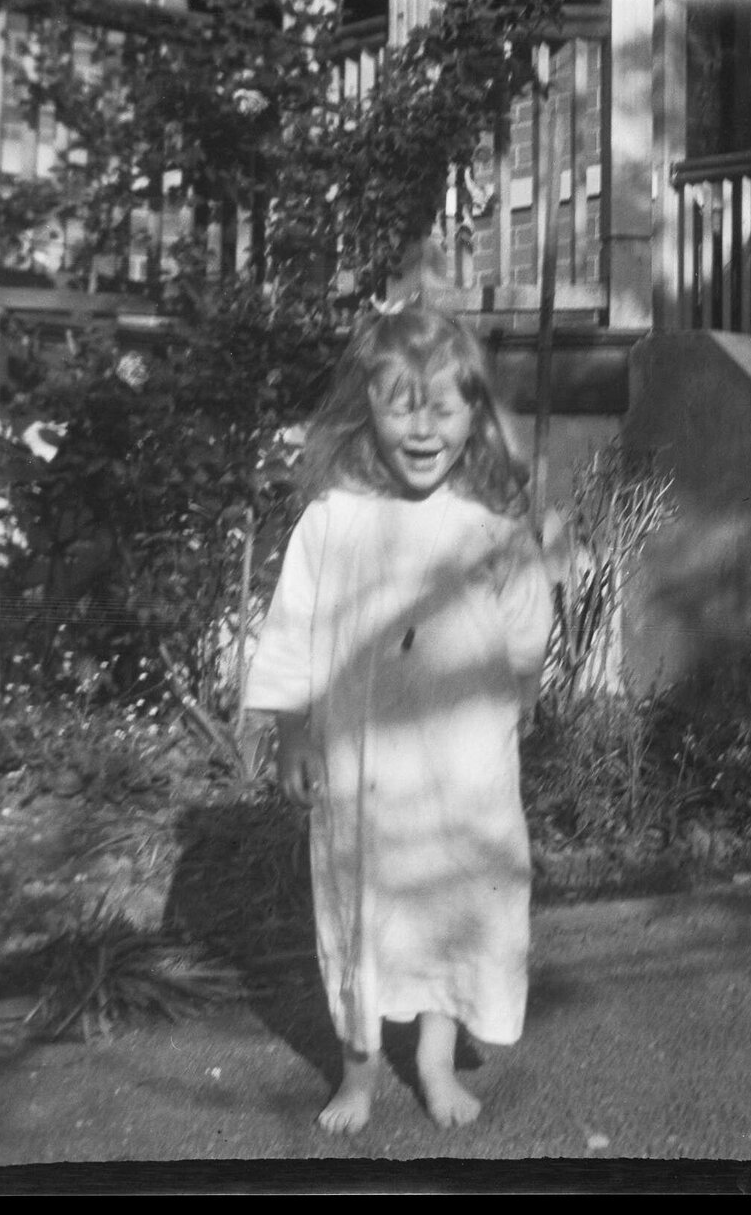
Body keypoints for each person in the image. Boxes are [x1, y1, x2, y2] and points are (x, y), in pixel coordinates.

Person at [245, 307, 554, 1134]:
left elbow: (528, 626)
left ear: (474, 415)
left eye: (444, 410)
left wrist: (520, 697)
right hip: (364, 769)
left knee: (455, 899)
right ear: (366, 409)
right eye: (400, 407)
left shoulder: (491, 529)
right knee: (358, 909)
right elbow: (291, 627)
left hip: (464, 768)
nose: (423, 431)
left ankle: (432, 1055)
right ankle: (356, 1069)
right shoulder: (334, 522)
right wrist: (290, 729)